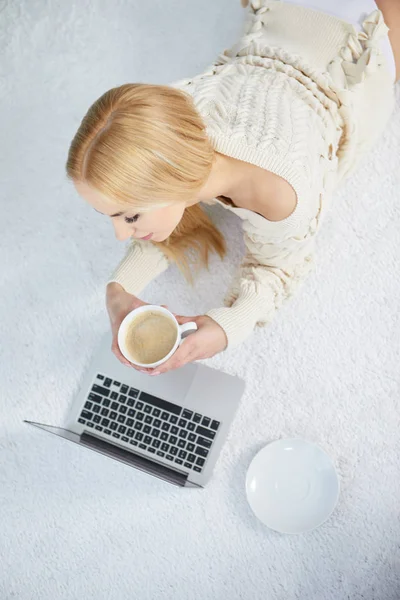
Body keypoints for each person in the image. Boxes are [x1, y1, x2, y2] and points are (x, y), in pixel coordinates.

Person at [66, 0, 399, 375]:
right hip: (287, 17)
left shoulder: (282, 191)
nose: (119, 234)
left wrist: (229, 327)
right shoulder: (168, 115)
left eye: (128, 216)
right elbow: (169, 211)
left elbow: (278, 268)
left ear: (175, 176)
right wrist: (120, 289)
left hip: (355, 47)